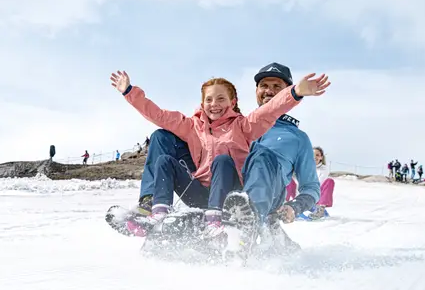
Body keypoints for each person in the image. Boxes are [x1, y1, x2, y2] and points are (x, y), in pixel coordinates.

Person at [111, 68, 328, 235]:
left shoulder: (252, 126)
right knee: (162, 141)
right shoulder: (195, 126)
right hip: (205, 190)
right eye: (264, 85)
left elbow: (270, 111)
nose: (214, 104)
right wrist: (129, 92)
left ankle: (245, 220)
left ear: (232, 102)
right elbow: (159, 115)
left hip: (247, 193)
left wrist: (295, 93)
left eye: (276, 86)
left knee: (230, 159)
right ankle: (155, 211)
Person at [218, 63, 330, 246]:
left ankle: (247, 231)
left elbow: (311, 188)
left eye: (277, 86)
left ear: (287, 92)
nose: (269, 91)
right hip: (229, 192)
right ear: (256, 90)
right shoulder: (238, 125)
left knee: (262, 156)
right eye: (264, 86)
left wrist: (294, 207)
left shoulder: (297, 138)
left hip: (271, 197)